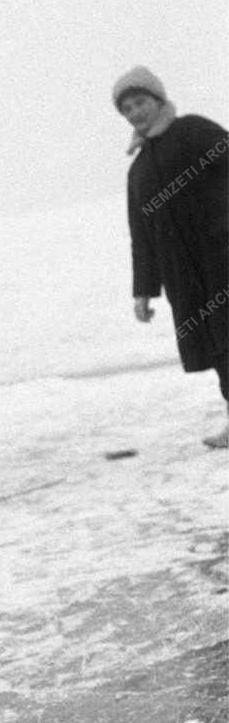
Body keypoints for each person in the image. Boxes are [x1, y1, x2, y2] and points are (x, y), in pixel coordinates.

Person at [113, 67, 229, 450]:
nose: (134, 113)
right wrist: (144, 291)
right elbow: (141, 235)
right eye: (126, 108)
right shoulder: (139, 169)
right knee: (216, 345)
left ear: (158, 100)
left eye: (140, 102)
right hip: (184, 274)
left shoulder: (193, 131)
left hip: (221, 258)